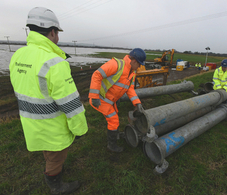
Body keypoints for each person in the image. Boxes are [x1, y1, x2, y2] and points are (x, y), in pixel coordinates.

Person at [9, 7, 88, 194]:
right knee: (55, 157)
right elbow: (71, 105)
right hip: (53, 128)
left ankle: (54, 170)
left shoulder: (18, 56)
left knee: (48, 152)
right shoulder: (55, 62)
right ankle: (56, 185)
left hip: (30, 123)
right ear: (52, 32)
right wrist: (80, 129)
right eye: (57, 33)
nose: (58, 38)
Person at [89, 48, 146, 152]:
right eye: (139, 64)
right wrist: (94, 97)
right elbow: (96, 74)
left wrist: (137, 103)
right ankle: (112, 145)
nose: (140, 67)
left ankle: (115, 134)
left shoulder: (132, 73)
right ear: (134, 61)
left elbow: (130, 89)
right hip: (101, 99)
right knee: (113, 120)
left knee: (114, 118)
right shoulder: (116, 65)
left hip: (111, 100)